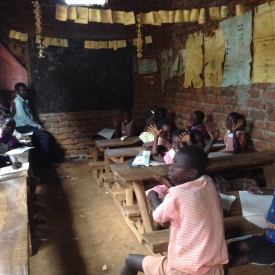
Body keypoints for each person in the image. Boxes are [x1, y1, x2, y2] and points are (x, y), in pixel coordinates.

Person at [120, 146, 228, 275]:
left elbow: (159, 217)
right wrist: (169, 185)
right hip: (214, 267)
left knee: (130, 260)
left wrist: (153, 196)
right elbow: (185, 196)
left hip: (187, 270)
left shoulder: (177, 195)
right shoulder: (208, 182)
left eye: (176, 166)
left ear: (192, 173)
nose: (170, 167)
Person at [12, 83, 59, 168]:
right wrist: (38, 127)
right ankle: (47, 163)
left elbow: (31, 117)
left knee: (48, 135)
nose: (25, 92)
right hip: (22, 127)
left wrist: (38, 125)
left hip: (27, 125)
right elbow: (24, 118)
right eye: (22, 91)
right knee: (45, 137)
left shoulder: (25, 100)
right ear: (17, 92)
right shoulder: (18, 102)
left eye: (25, 90)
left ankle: (53, 159)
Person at [228, 186, 275, 267]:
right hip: (267, 236)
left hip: (273, 250)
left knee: (236, 261)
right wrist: (266, 192)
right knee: (233, 247)